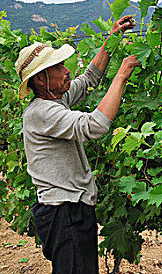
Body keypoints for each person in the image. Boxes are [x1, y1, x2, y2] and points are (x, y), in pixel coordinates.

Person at [15, 15, 140, 273]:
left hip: (70, 209)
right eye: (58, 67)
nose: (66, 70)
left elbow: (88, 80)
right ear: (40, 80)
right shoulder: (41, 112)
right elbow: (95, 125)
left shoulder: (54, 99)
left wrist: (112, 39)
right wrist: (121, 76)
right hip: (64, 213)